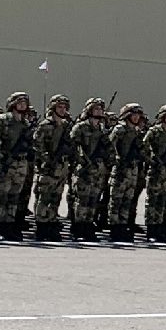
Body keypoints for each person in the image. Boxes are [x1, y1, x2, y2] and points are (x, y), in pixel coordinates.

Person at [32, 94, 75, 241]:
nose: (62, 110)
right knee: (44, 197)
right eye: (59, 107)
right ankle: (41, 226)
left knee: (56, 197)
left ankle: (51, 223)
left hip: (61, 168)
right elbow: (37, 145)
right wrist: (46, 160)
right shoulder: (45, 125)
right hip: (48, 167)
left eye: (64, 107)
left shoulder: (66, 126)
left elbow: (72, 145)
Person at [69, 97, 110, 242]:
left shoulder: (102, 129)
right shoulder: (80, 127)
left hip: (97, 170)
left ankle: (88, 226)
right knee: (82, 200)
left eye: (100, 109)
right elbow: (73, 146)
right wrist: (82, 160)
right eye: (96, 109)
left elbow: (108, 149)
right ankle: (78, 228)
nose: (99, 111)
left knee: (93, 200)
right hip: (83, 169)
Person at [0, 92, 33, 241]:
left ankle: (11, 226)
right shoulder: (3, 120)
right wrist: (2, 158)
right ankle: (0, 228)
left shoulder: (25, 123)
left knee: (15, 196)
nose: (23, 105)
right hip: (6, 162)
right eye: (20, 102)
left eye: (25, 103)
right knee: (3, 196)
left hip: (20, 163)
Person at [142, 104, 166, 243]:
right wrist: (153, 160)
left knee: (164, 202)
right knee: (153, 201)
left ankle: (161, 227)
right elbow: (144, 147)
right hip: (157, 171)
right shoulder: (154, 132)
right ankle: (151, 230)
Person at [108, 103, 145, 243]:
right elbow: (110, 148)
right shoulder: (119, 130)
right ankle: (114, 227)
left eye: (138, 115)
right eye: (133, 114)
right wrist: (117, 160)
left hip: (132, 170)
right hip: (120, 169)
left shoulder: (135, 131)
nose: (136, 117)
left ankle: (123, 225)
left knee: (127, 200)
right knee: (116, 200)